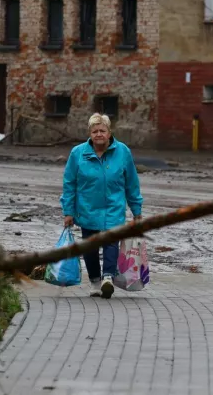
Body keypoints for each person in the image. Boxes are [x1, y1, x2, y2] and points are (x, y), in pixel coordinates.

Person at [60, 113, 143, 299]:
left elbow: (132, 183)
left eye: (102, 130)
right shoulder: (78, 153)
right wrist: (68, 211)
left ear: (109, 132)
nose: (99, 134)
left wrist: (136, 210)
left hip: (114, 208)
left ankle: (107, 277)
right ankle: (95, 281)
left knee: (111, 242)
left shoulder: (122, 152)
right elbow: (69, 184)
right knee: (90, 247)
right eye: (95, 131)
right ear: (89, 133)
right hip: (87, 209)